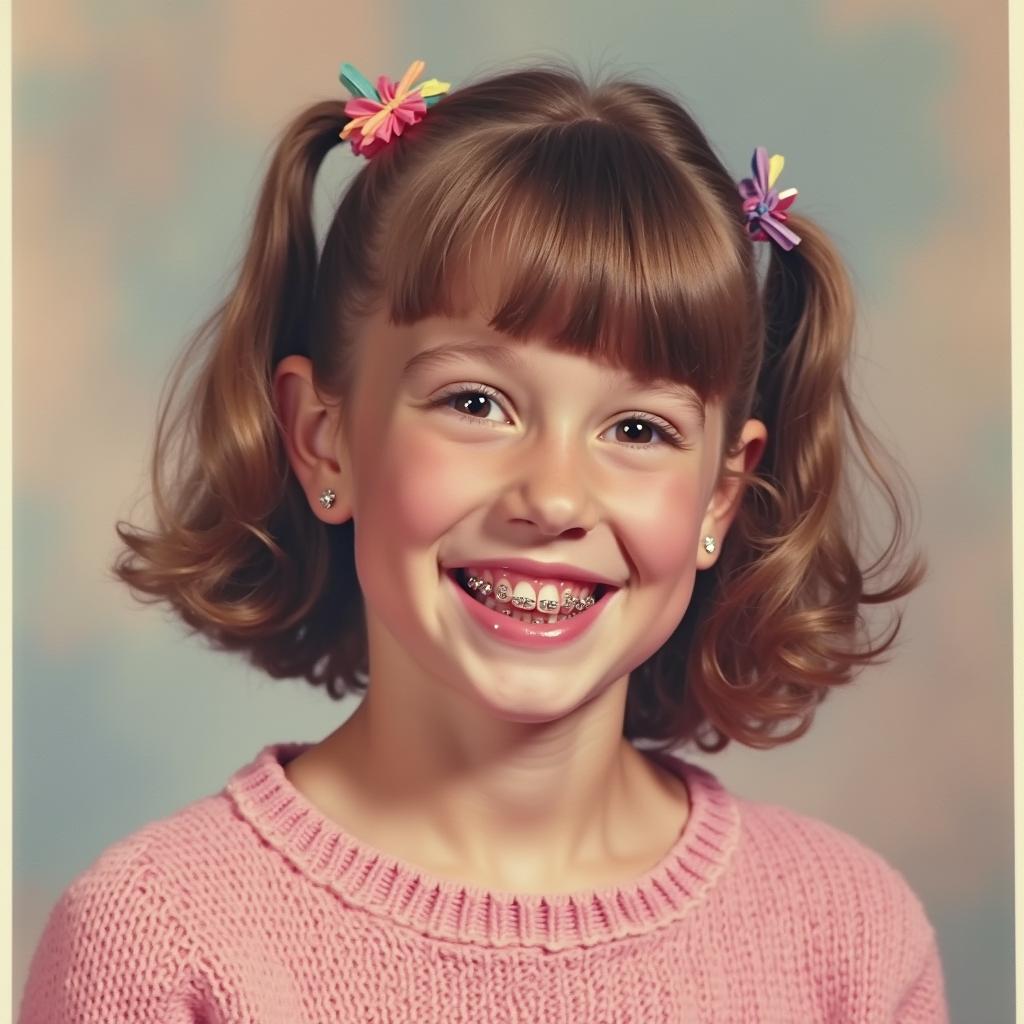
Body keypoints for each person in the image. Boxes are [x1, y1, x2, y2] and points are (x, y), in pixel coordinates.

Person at [19, 56, 951, 1022]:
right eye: (476, 402)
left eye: (638, 430)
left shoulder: (853, 940)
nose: (552, 499)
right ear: (321, 437)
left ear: (720, 496)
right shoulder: (161, 939)